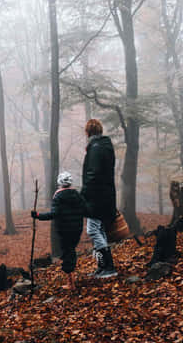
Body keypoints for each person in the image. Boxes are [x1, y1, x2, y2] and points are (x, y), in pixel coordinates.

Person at [31, 171, 86, 289]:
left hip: (64, 230)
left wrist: (38, 215)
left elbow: (53, 214)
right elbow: (85, 209)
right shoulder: (77, 195)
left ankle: (71, 283)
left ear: (60, 183)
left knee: (68, 253)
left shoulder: (58, 196)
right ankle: (71, 280)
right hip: (77, 229)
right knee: (71, 251)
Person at [80, 118, 118, 278]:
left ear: (88, 132)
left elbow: (93, 174)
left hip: (96, 197)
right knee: (99, 229)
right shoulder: (105, 146)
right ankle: (103, 267)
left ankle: (108, 266)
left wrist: (83, 194)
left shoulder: (95, 148)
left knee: (93, 229)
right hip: (106, 195)